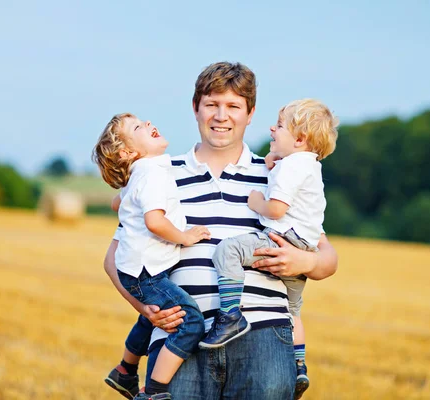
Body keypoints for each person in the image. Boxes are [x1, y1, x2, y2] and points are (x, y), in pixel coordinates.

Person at [102, 61, 339, 400]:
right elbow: (114, 258)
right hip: (182, 341)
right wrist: (144, 308)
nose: (221, 116)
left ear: (250, 113)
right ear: (195, 107)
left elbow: (327, 257)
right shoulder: (158, 172)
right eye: (211, 104)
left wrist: (305, 263)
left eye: (233, 107)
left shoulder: (278, 171)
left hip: (264, 337)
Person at [198, 98, 339, 399]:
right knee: (294, 311)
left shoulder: (287, 170)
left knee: (228, 252)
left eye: (280, 126)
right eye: (212, 104)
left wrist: (255, 202)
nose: (272, 129)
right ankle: (299, 363)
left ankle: (230, 315)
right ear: (196, 107)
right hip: (301, 239)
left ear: (299, 139)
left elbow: (276, 210)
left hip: (280, 239)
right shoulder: (306, 167)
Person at [92, 113, 211, 400]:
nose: (148, 124)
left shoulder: (144, 171)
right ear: (128, 152)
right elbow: (155, 222)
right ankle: (155, 390)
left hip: (135, 270)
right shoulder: (153, 174)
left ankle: (125, 371)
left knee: (151, 318)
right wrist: (186, 237)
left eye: (144, 121)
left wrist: (127, 201)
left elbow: (116, 202)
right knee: (191, 321)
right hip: (147, 273)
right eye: (138, 127)